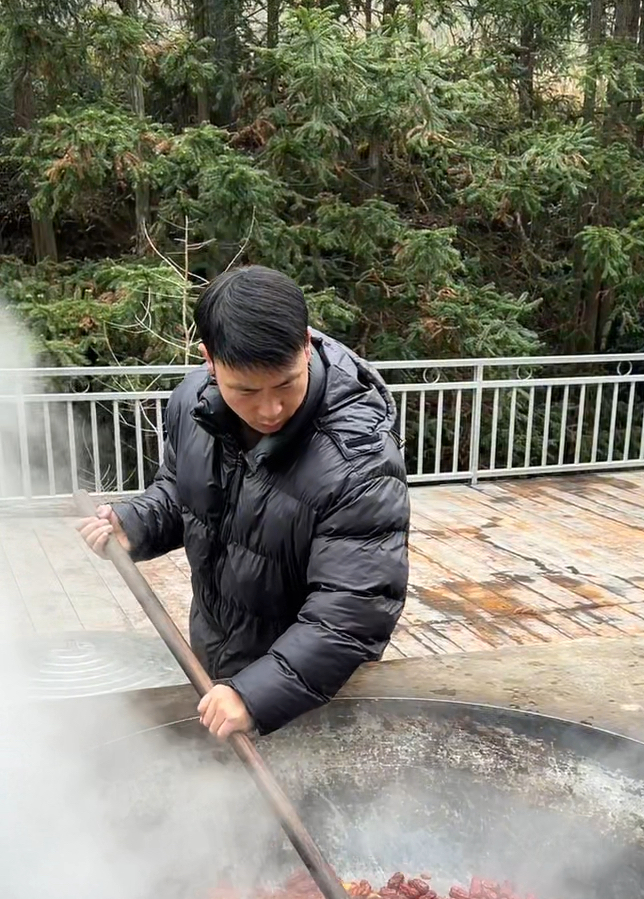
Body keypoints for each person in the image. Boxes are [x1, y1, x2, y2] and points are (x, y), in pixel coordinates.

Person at [79, 266, 410, 739]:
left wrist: (257, 693)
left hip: (308, 693)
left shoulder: (358, 460)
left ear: (307, 344)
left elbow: (353, 610)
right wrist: (135, 523)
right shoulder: (193, 403)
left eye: (286, 384)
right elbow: (182, 489)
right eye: (246, 391)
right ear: (210, 360)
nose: (270, 409)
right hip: (217, 658)